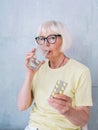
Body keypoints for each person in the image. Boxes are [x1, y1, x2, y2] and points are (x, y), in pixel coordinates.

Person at [17, 20, 93, 130]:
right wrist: (29, 74)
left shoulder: (81, 71)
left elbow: (83, 119)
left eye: (52, 38)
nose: (45, 44)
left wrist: (68, 111)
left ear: (64, 40)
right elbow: (22, 106)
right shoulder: (37, 69)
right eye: (42, 39)